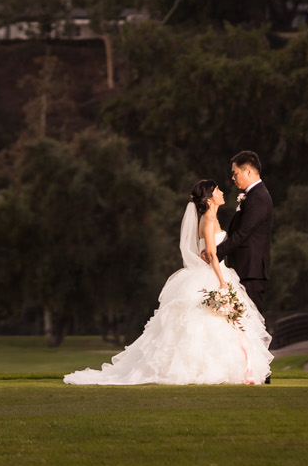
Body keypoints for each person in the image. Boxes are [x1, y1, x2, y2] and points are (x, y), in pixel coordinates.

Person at [63, 178, 272, 385]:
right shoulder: (208, 220)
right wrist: (221, 281)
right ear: (209, 199)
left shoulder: (213, 219)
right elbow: (211, 252)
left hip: (219, 271)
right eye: (216, 190)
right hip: (213, 275)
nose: (221, 192)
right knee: (204, 323)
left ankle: (234, 369)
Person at [215, 150, 273, 324]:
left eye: (235, 173)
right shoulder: (252, 196)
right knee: (242, 322)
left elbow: (243, 233)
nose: (233, 177)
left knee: (252, 322)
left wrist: (216, 253)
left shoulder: (258, 197)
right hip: (245, 267)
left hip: (251, 269)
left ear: (248, 171)